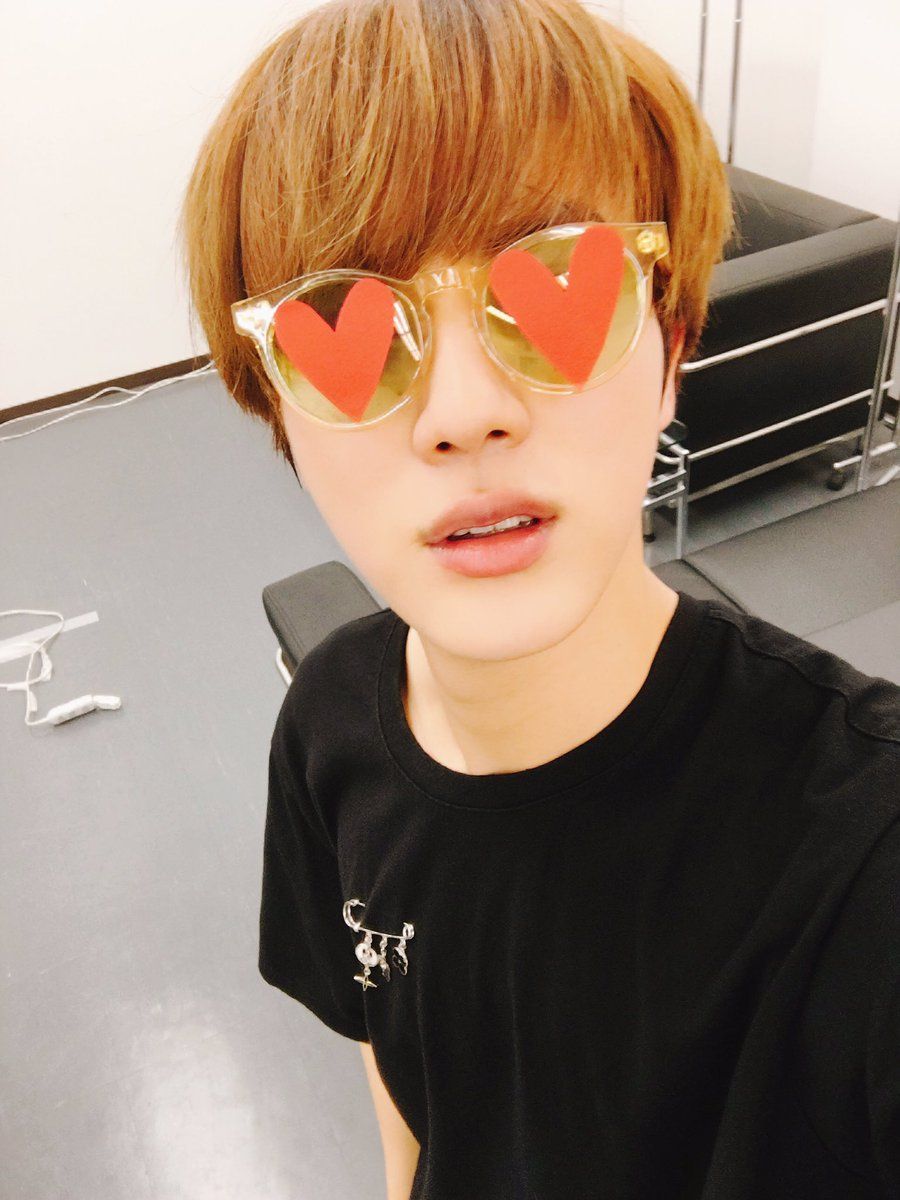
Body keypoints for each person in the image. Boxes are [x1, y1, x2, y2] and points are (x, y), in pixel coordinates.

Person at [177, 1, 900, 1196]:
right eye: (348, 332)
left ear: (671, 349)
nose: (465, 413)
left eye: (560, 288)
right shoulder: (329, 725)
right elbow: (396, 1060)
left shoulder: (862, 860)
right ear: (281, 421)